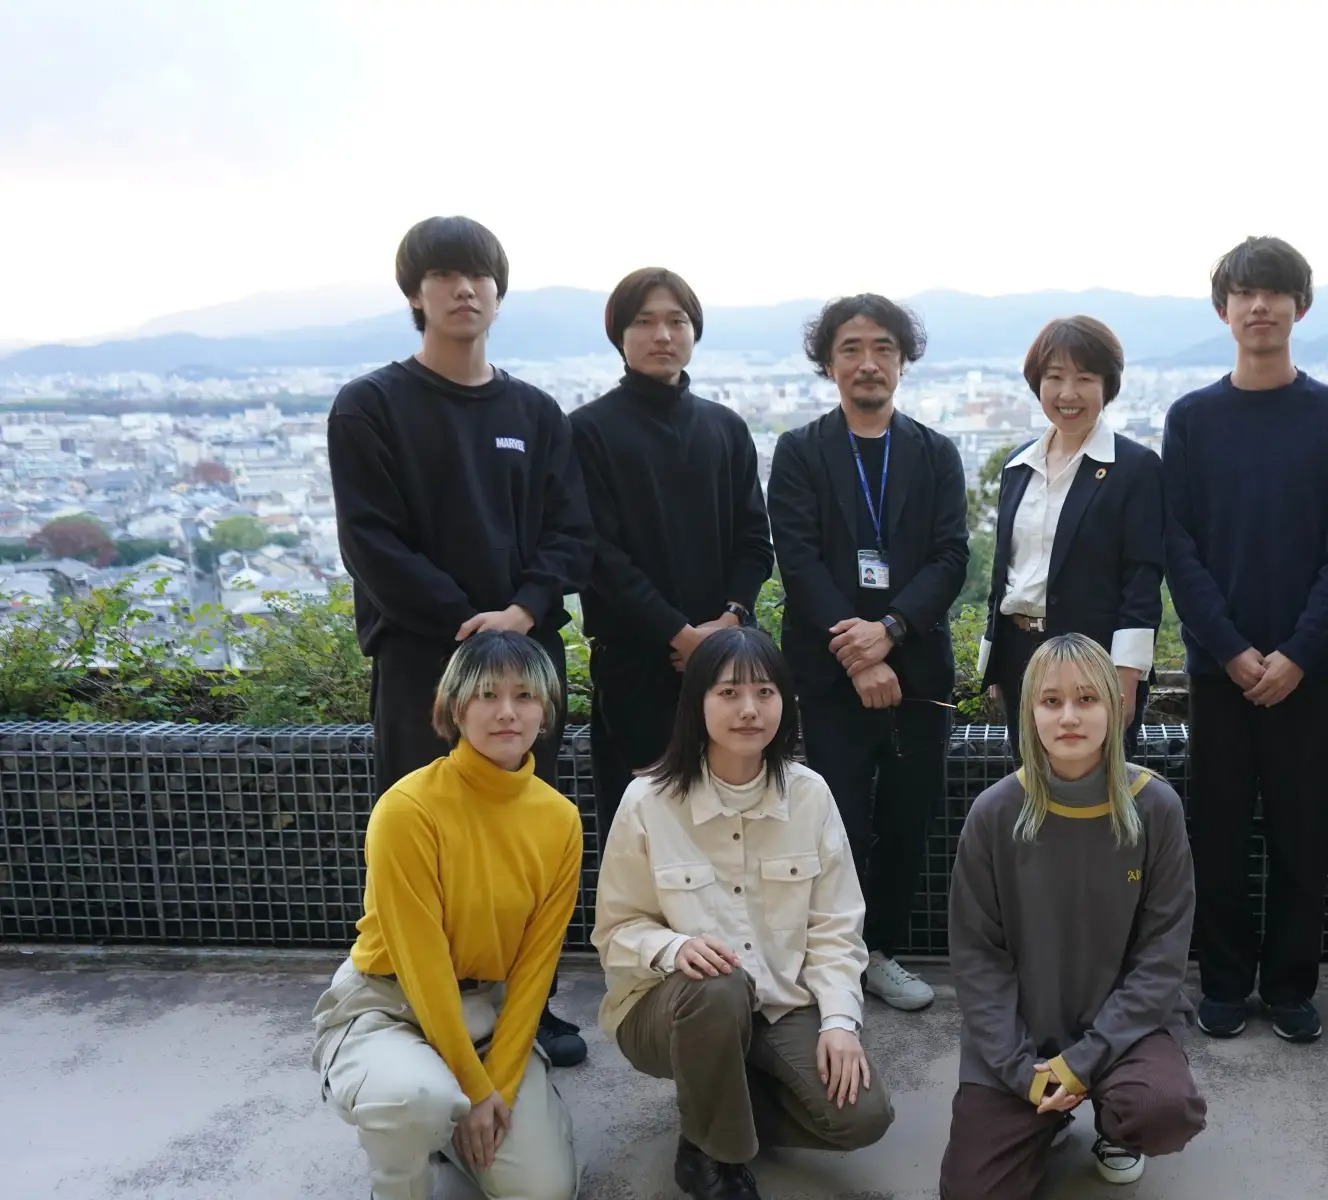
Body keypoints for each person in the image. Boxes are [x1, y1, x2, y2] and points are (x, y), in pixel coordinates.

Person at [328, 215, 593, 1068]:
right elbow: (370, 541)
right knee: (423, 836)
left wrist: (522, 610)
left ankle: (528, 1003)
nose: (464, 289)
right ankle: (423, 1004)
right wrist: (469, 622)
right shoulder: (371, 406)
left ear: (499, 293)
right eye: (443, 275)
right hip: (422, 662)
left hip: (527, 655)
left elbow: (570, 533)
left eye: (479, 275)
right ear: (416, 294)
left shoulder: (534, 412)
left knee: (527, 839)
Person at [593, 626, 892, 1200]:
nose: (749, 709)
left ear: (785, 702)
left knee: (861, 1118)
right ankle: (716, 1156)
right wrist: (674, 946)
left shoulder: (810, 795)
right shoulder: (647, 800)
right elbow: (616, 930)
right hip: (669, 1008)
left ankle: (711, 1096)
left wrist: (839, 1021)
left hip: (780, 1002)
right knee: (718, 984)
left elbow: (836, 927)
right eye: (729, 693)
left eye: (765, 692)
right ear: (697, 703)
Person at [310, 631, 582, 1200]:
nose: (507, 711)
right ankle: (399, 1192)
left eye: (525, 696)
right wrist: (474, 1092)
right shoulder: (408, 808)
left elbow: (536, 968)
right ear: (455, 707)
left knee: (544, 1198)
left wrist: (499, 1086)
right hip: (392, 1005)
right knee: (414, 1098)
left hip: (486, 1011)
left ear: (545, 712)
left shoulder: (559, 819)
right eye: (486, 695)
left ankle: (444, 1126)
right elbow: (423, 964)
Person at [1163, 236, 1328, 1044]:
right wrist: (1228, 648)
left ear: (1300, 307)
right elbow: (1179, 547)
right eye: (1245, 294)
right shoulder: (1191, 419)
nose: (1259, 307)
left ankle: (1290, 986)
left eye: (1274, 293)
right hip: (1220, 670)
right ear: (1224, 310)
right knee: (1216, 831)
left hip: (1306, 673)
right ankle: (1222, 981)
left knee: (1300, 832)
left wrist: (1299, 653)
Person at [940, 634, 1206, 1200]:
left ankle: (1116, 1123)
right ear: (1029, 712)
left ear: (1116, 707)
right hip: (1021, 1038)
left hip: (1124, 1030)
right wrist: (1021, 1073)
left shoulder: (1156, 808)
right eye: (1051, 700)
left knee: (1162, 1110)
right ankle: (1048, 1117)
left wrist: (1084, 1062)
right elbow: (977, 958)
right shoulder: (994, 813)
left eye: (1087, 699)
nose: (1068, 717)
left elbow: (1162, 960)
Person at [766, 294, 970, 1013]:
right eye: (850, 348)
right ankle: (833, 957)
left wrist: (891, 632)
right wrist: (858, 653)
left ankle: (880, 951)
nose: (868, 362)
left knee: (909, 822)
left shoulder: (935, 453)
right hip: (829, 677)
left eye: (883, 347)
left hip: (917, 675)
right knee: (835, 821)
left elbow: (951, 557)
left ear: (903, 360)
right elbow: (798, 560)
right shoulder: (800, 452)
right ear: (828, 363)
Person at [570, 266, 774, 845]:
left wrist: (730, 620)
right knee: (644, 832)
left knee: (735, 828)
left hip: (728, 668)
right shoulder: (587, 431)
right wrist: (681, 635)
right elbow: (598, 555)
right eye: (644, 321)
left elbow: (755, 541)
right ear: (619, 335)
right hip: (636, 668)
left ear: (694, 332)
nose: (663, 335)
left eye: (677, 321)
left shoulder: (725, 428)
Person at [978, 315, 1164, 756]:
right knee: (1029, 782)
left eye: (1084, 378)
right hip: (1018, 655)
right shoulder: (1018, 465)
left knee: (1097, 784)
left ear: (1107, 385)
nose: (1067, 393)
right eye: (1055, 377)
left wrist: (1126, 673)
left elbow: (1142, 577)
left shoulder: (1134, 468)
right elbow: (1007, 570)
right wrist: (995, 662)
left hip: (1093, 662)